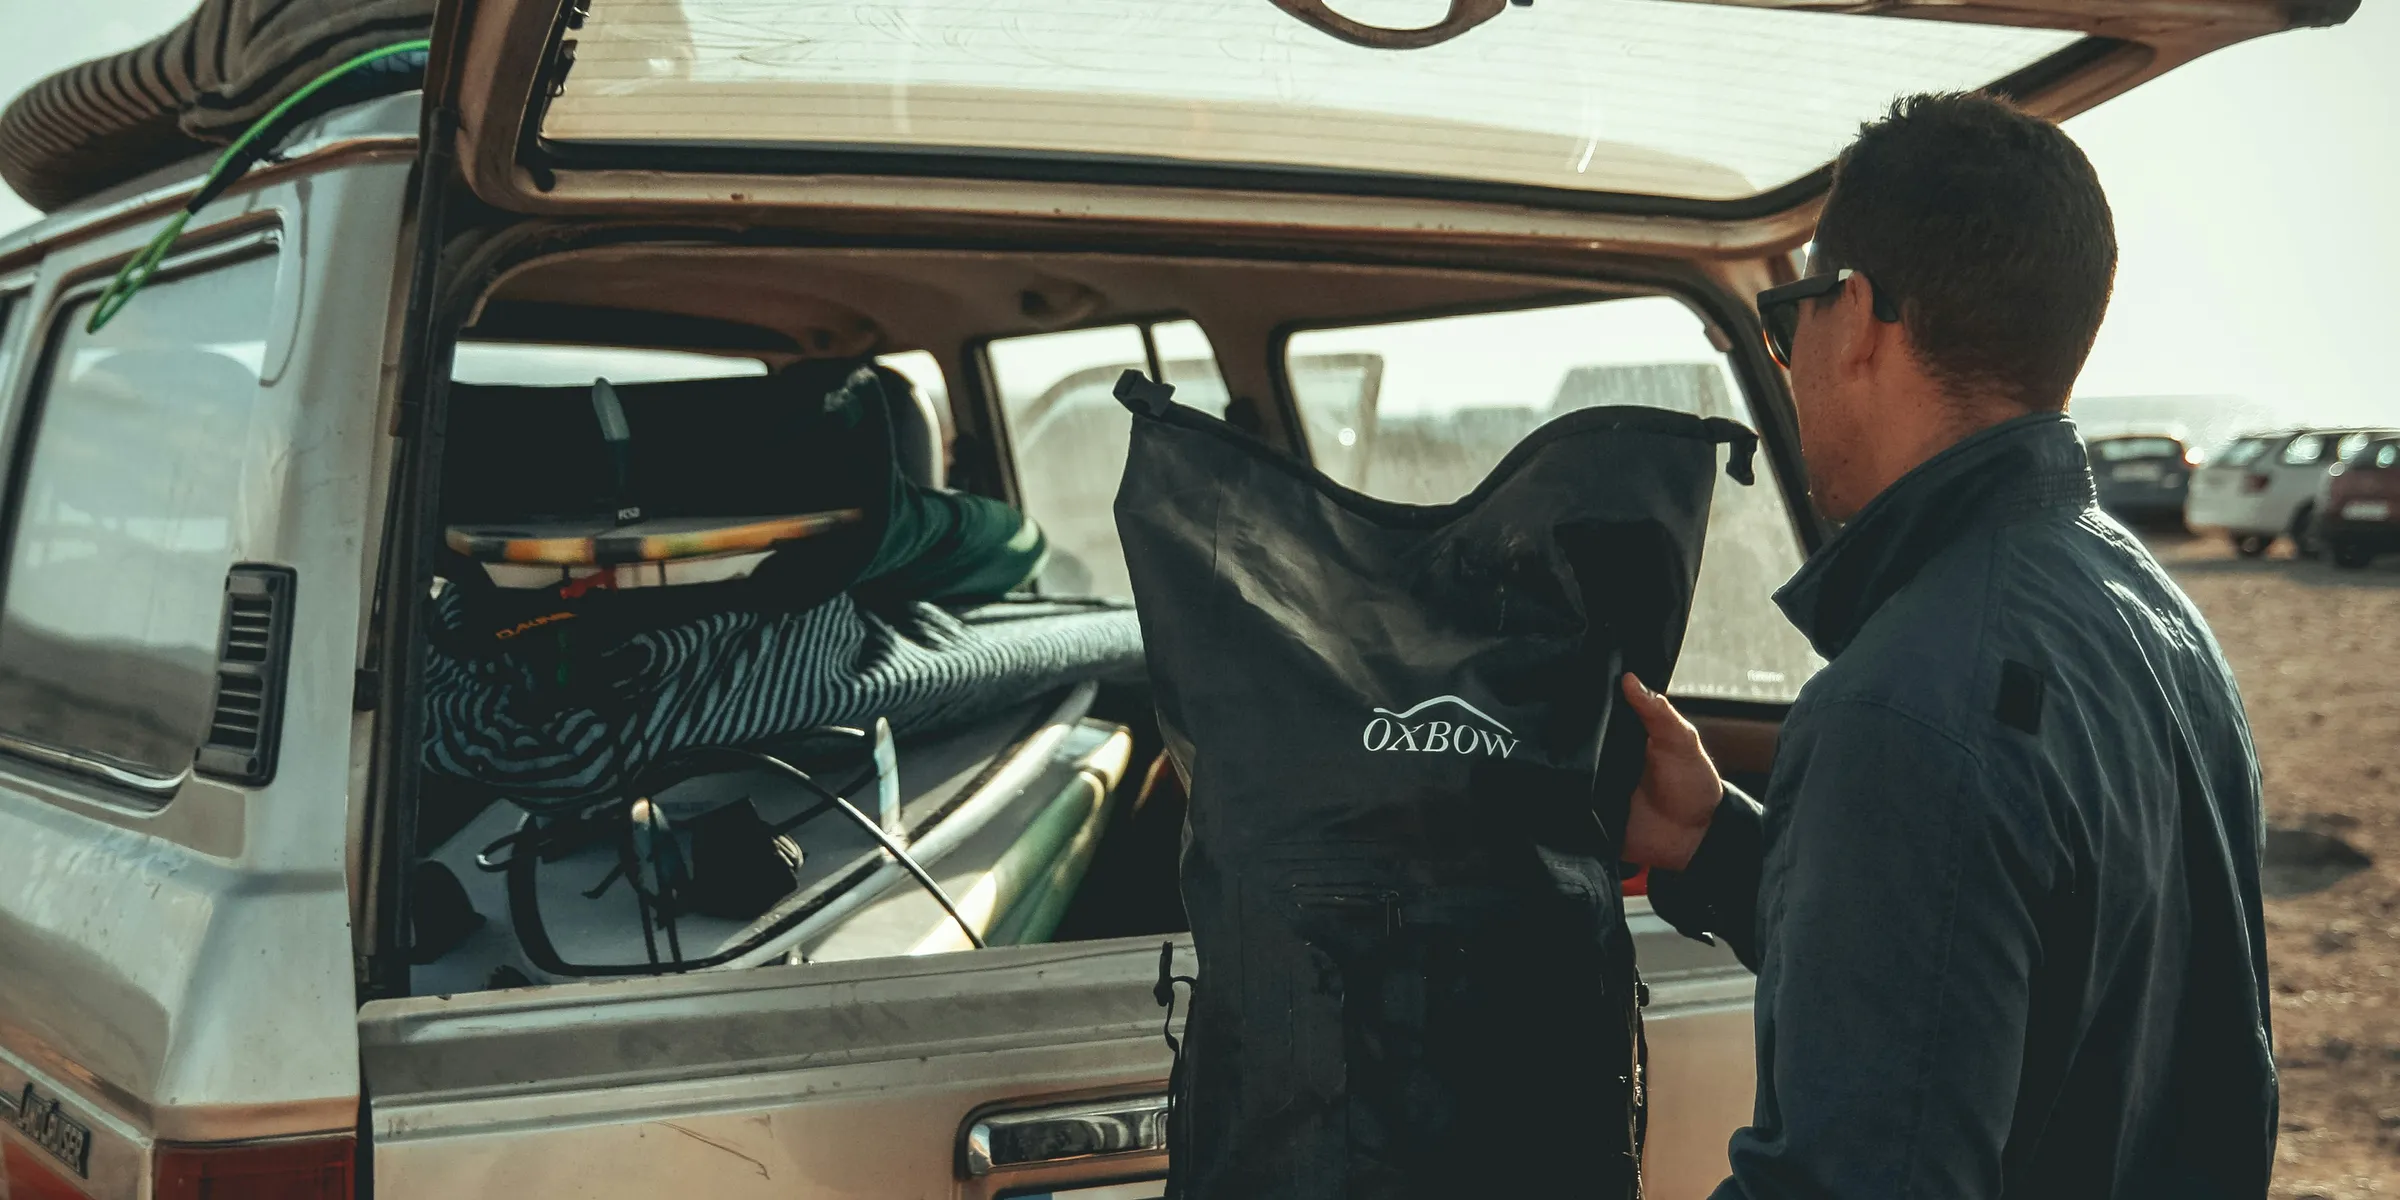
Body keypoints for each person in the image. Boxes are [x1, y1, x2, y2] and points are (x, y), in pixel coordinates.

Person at [1619, 92, 2275, 1198]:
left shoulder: (1905, 702)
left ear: (1861, 316)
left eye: (1788, 323)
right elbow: (1985, 998)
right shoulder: (2158, 618)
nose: (1789, 361)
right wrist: (1711, 841)